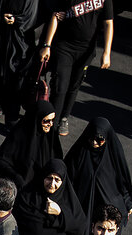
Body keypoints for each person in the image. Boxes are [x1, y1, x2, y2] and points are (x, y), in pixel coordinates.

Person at [39, 0, 114, 137]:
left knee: (74, 85)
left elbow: (108, 22)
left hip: (85, 51)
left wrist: (107, 52)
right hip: (64, 47)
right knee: (60, 86)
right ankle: (52, 122)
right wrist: (47, 45)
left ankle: (64, 118)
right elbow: (55, 16)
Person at [0, 0, 39, 125]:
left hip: (22, 39)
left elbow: (34, 12)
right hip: (1, 33)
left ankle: (12, 115)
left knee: (16, 77)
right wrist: (0, 15)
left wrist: (17, 20)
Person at [64, 117, 132, 223]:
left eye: (99, 139)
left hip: (105, 212)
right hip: (82, 208)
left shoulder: (113, 157)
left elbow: (121, 181)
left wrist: (128, 203)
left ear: (107, 138)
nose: (94, 142)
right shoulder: (79, 154)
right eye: (91, 138)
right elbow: (67, 177)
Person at [0, 100, 62, 190]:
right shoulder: (19, 135)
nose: (50, 124)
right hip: (22, 190)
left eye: (52, 120)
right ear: (37, 119)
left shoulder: (51, 138)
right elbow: (0, 161)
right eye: (46, 121)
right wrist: (17, 179)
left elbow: (59, 163)